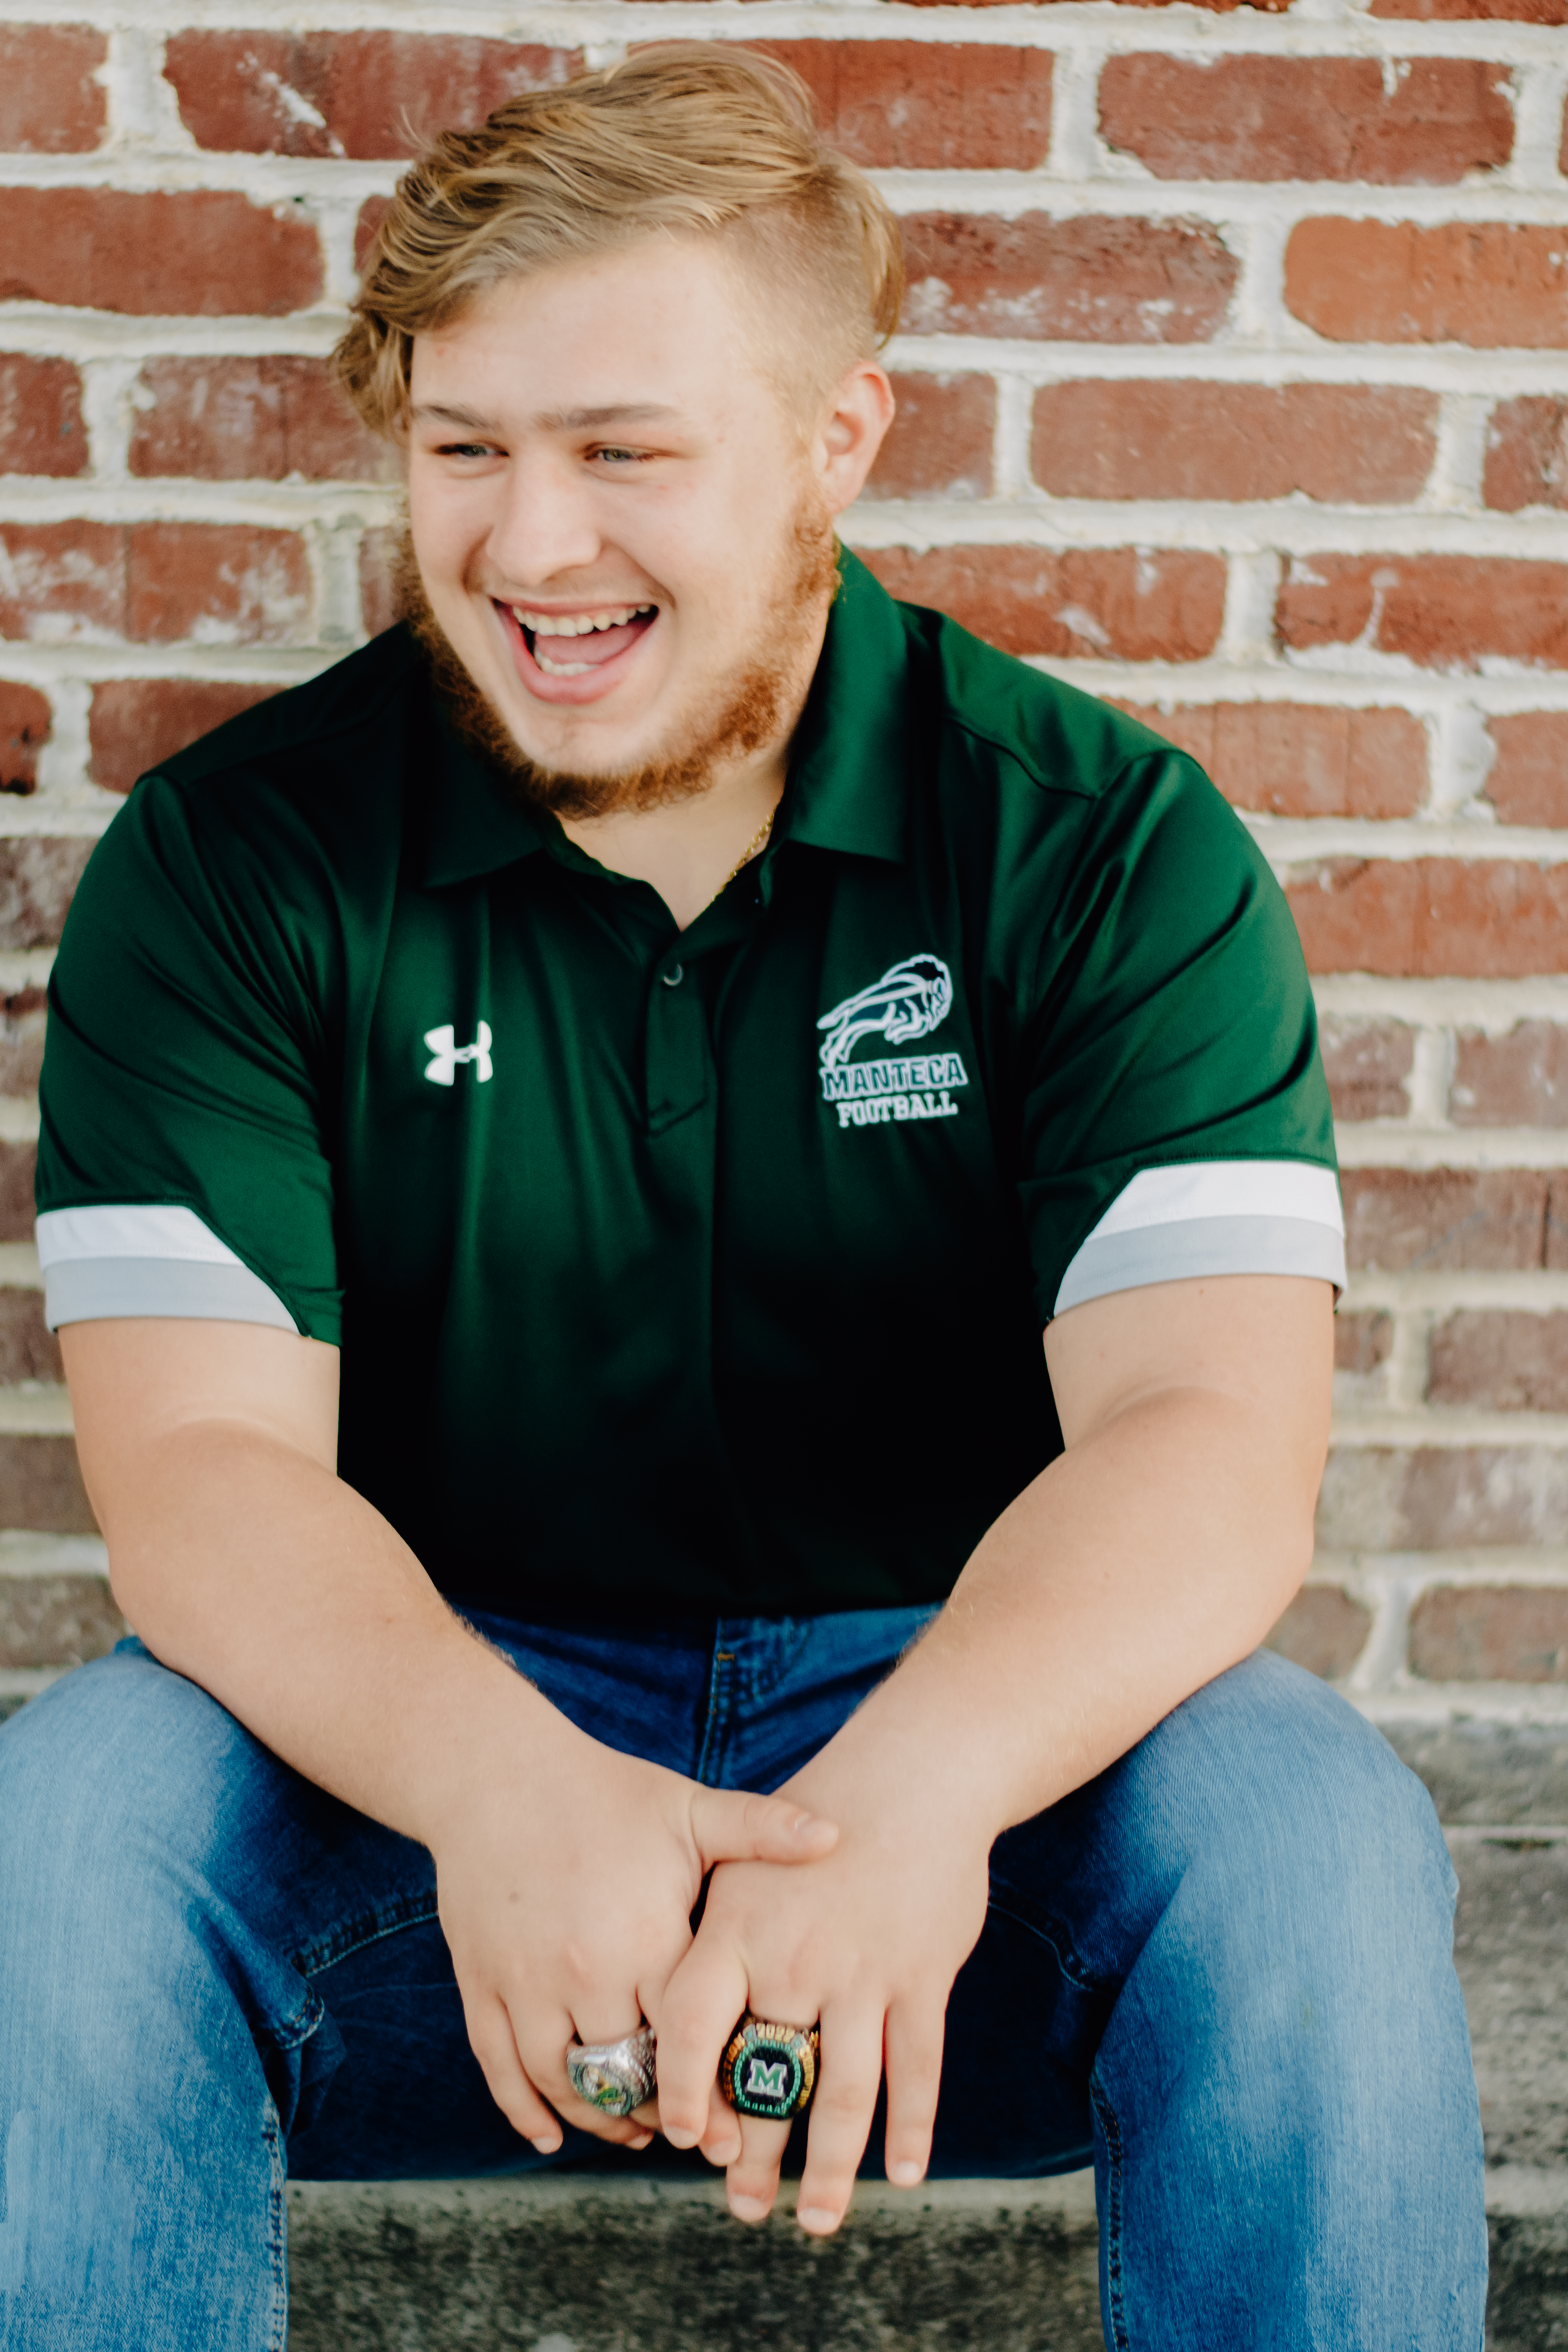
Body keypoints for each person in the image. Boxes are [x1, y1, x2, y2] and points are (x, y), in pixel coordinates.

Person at [0, 44, 1485, 2350]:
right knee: (74, 1824)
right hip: (435, 1775)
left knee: (1305, 1829)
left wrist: (913, 1804)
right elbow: (196, 1472)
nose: (529, 546)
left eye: (624, 454)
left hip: (957, 1777)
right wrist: (508, 1791)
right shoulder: (234, 863)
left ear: (835, 441)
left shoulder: (1097, 841)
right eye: (465, 449)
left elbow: (1209, 1436)